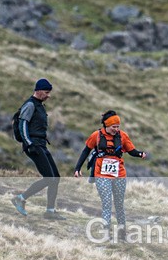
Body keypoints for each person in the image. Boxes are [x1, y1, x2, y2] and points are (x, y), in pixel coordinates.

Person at [74, 110, 147, 241]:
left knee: (119, 205)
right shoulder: (96, 135)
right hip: (101, 174)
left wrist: (140, 154)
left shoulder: (122, 136)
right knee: (107, 203)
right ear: (106, 125)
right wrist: (77, 168)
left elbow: (131, 150)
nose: (116, 129)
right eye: (114, 127)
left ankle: (122, 233)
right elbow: (86, 151)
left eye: (118, 126)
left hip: (119, 174)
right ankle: (106, 234)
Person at [10, 78, 65, 219]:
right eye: (46, 92)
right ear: (38, 91)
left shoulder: (39, 105)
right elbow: (22, 124)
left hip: (41, 145)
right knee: (49, 178)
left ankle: (50, 211)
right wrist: (29, 144)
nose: (48, 95)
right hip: (33, 145)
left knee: (55, 177)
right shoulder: (30, 105)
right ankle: (20, 198)